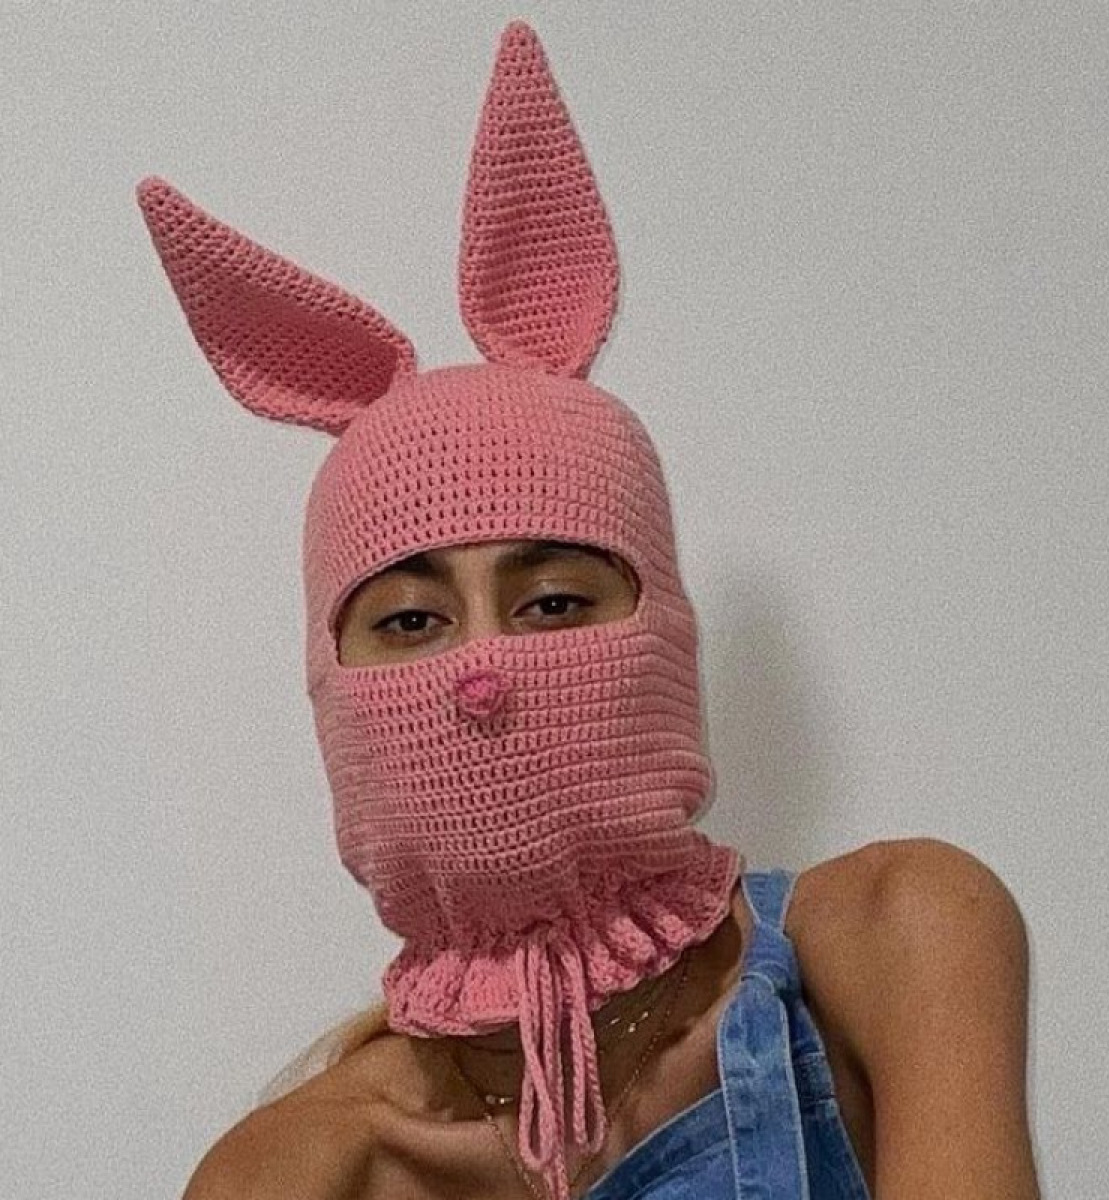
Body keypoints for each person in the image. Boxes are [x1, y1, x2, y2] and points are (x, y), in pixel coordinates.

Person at [139, 20, 1040, 1200]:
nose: (484, 672)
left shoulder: (899, 934)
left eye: (555, 600)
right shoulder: (295, 1170)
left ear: (662, 632)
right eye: (409, 622)